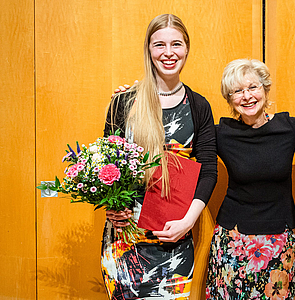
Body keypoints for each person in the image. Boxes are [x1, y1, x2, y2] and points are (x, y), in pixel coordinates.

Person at [101, 14, 217, 299]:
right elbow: (108, 164)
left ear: (187, 49)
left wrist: (188, 221)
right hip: (125, 241)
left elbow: (209, 170)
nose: (168, 53)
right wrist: (113, 206)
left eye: (176, 44)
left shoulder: (198, 105)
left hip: (174, 238)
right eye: (159, 45)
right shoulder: (124, 102)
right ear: (148, 50)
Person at [205, 59, 295, 299]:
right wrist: (129, 99)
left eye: (253, 87)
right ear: (229, 99)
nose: (246, 96)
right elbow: (176, 138)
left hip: (278, 241)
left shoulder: (290, 127)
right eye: (237, 91)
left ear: (266, 89)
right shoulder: (221, 134)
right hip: (232, 241)